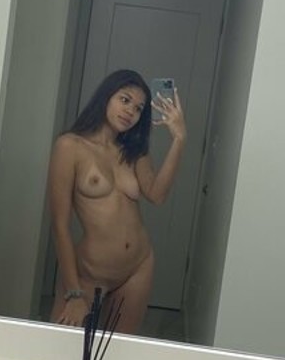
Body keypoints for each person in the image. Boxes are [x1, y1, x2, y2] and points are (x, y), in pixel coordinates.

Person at [47, 68, 186, 334]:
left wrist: (179, 139)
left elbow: (157, 195)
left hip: (138, 267)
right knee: (62, 348)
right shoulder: (70, 146)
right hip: (89, 272)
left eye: (138, 108)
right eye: (125, 100)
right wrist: (73, 293)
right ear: (106, 96)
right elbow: (60, 225)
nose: (130, 111)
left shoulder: (133, 150)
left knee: (117, 350)